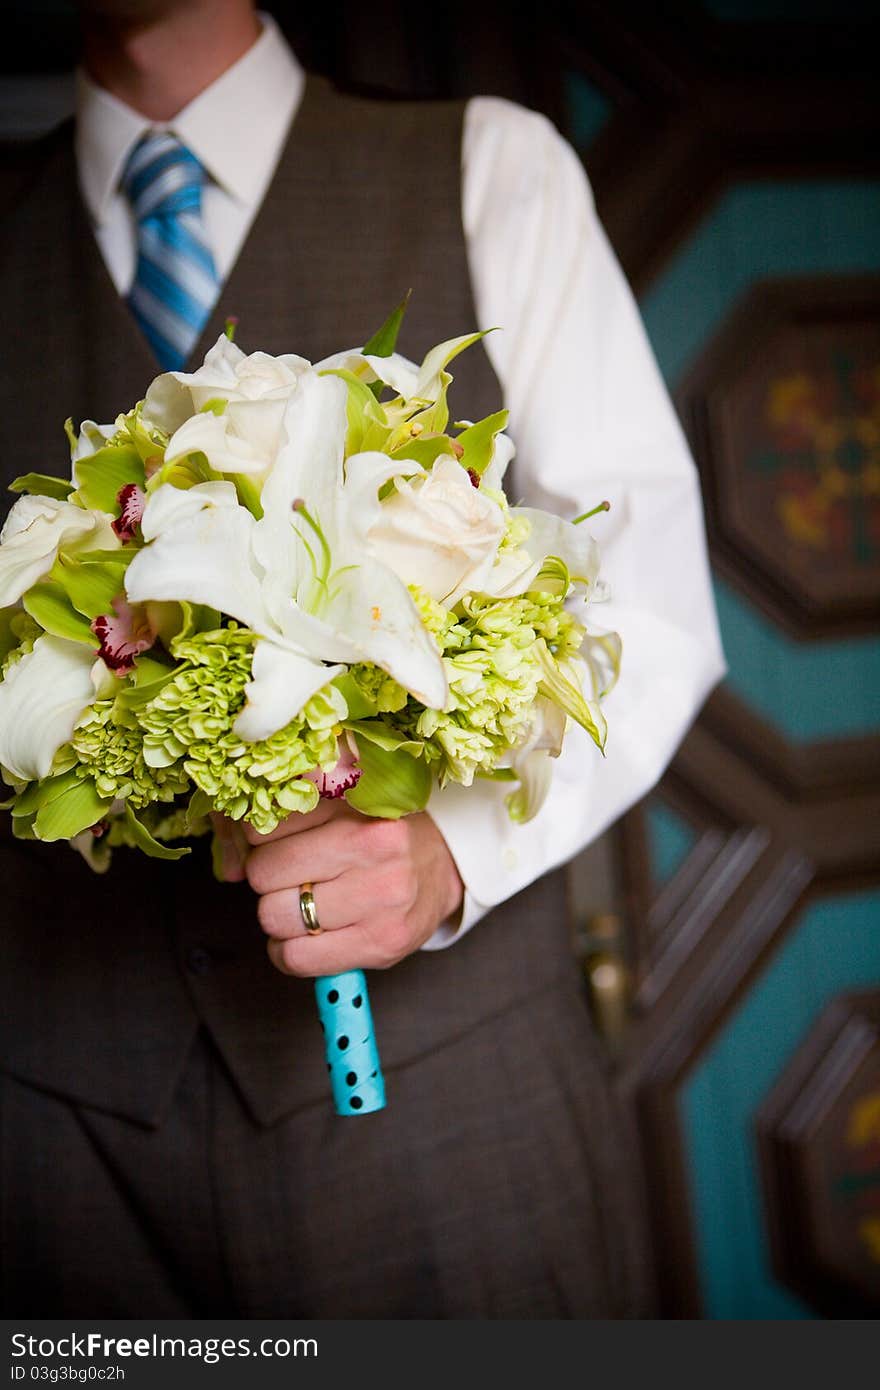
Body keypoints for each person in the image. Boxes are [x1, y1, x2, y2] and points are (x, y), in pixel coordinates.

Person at [0, 0, 725, 1318]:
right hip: (50, 1141)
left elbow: (656, 603)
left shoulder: (486, 165)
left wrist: (458, 849)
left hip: (452, 1115)